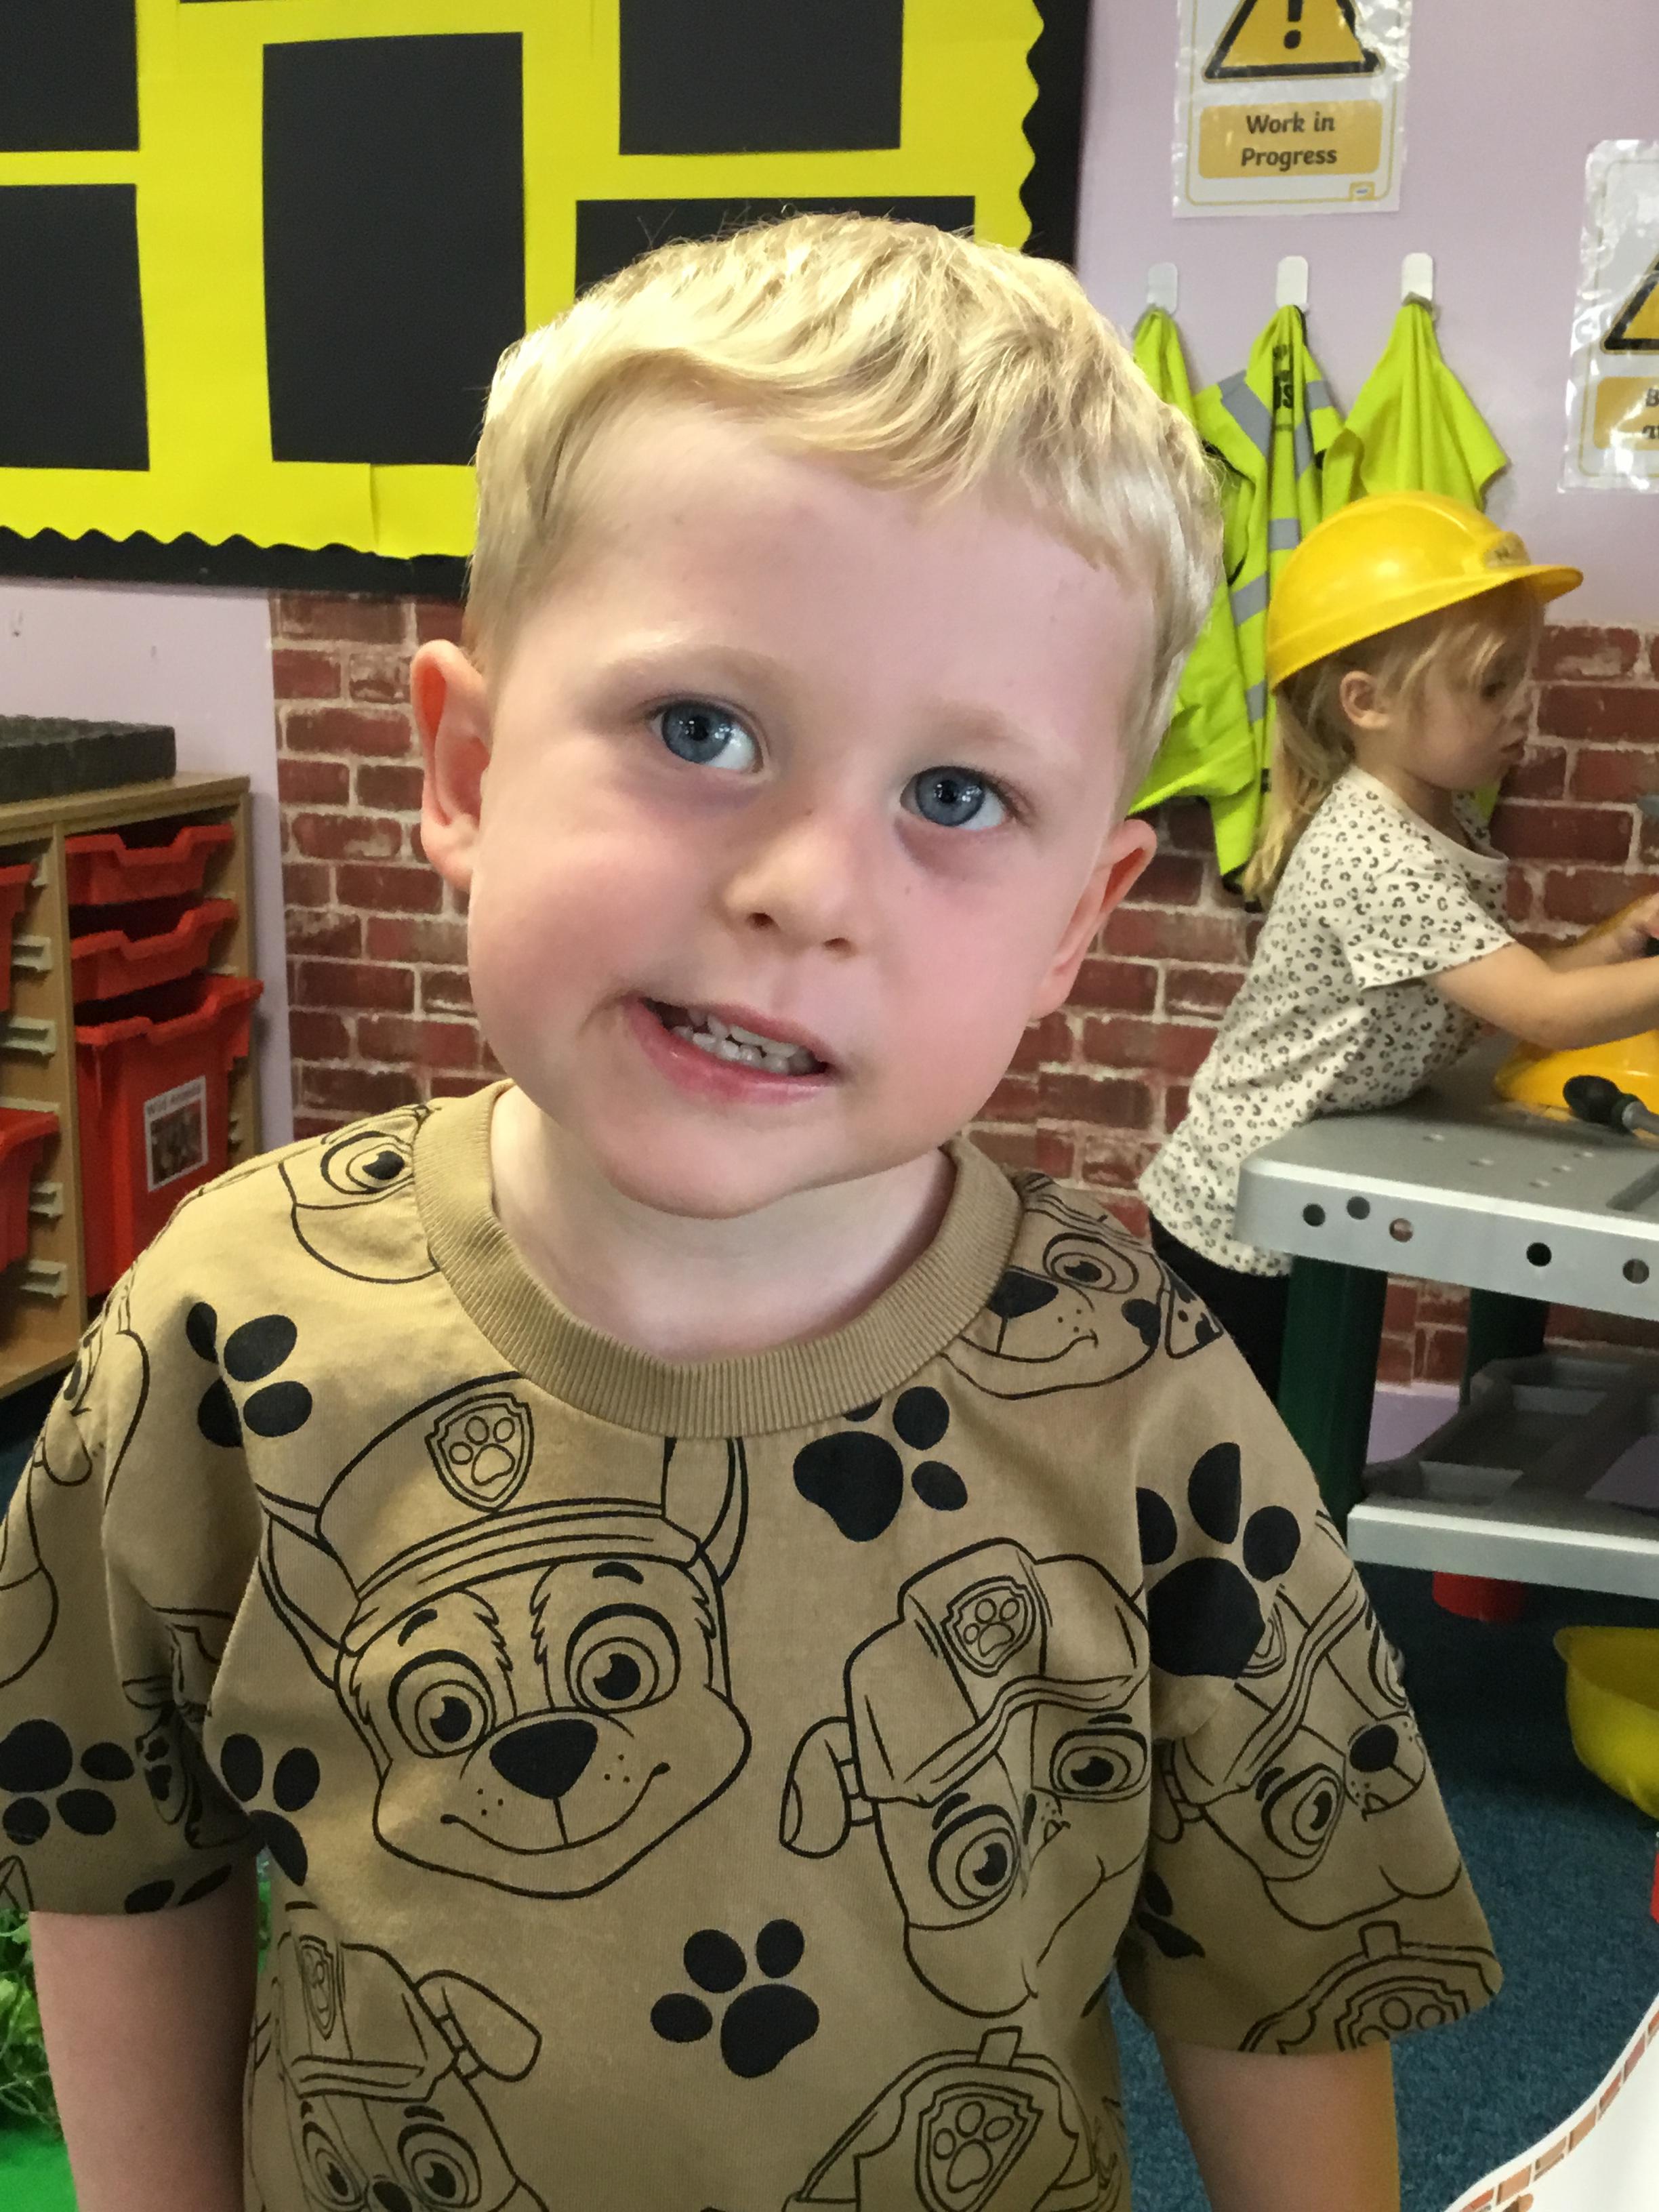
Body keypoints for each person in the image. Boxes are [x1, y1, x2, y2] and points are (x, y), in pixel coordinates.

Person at [3, 220, 1494, 2212]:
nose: (808, 888)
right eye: (702, 730)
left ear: (1075, 926)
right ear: (466, 767)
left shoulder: (1147, 1410)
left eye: (955, 796)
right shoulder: (226, 1331)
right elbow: (112, 1847)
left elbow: (1281, 1973)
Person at [1142, 491, 1659, 1399]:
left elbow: (1508, 985)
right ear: (1367, 703)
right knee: (1248, 1449)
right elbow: (1543, 1012)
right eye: (1491, 685)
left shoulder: (1437, 819)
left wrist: (1617, 946)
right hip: (1239, 1215)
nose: (1522, 710)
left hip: (1309, 1180)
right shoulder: (1374, 852)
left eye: (1521, 681)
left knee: (1287, 1436)